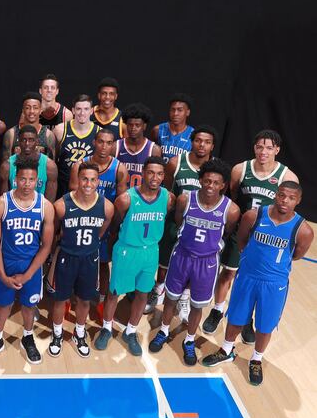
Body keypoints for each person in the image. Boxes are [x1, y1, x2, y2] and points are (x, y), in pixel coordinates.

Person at [202, 181, 313, 386]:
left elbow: (296, 255)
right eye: (281, 195)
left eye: (290, 198)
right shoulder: (253, 216)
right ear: (275, 195)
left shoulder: (303, 230)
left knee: (265, 324)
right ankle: (226, 350)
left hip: (274, 284)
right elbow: (242, 241)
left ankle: (256, 359)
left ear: (298, 201)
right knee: (235, 316)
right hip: (247, 277)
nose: (284, 201)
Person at [205, 130, 299, 341]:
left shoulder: (287, 176)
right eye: (259, 147)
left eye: (268, 147)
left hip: (266, 240)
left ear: (277, 149)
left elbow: (290, 208)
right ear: (254, 148)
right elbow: (233, 196)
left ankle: (248, 321)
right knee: (228, 273)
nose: (263, 151)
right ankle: (217, 310)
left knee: (254, 282)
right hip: (242, 232)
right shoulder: (241, 169)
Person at [148, 159, 240, 366]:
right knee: (170, 299)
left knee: (197, 306)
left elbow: (227, 232)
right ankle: (163, 330)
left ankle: (189, 340)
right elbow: (179, 222)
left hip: (207, 263)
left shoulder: (231, 210)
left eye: (216, 183)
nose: (211, 186)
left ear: (223, 185)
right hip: (181, 256)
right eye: (207, 181)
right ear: (200, 180)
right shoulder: (185, 199)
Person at [94, 157, 173, 356]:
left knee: (143, 293)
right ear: (143, 174)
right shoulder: (126, 199)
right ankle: (106, 328)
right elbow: (115, 225)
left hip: (150, 252)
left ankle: (130, 331)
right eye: (151, 172)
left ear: (163, 176)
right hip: (127, 250)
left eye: (159, 174)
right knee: (114, 293)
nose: (155, 177)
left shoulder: (168, 198)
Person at [0, 157, 55, 365]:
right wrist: (3, 274)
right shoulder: (1, 204)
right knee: (3, 304)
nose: (27, 184)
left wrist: (30, 273)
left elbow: (46, 246)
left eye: (31, 180)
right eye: (23, 179)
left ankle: (27, 337)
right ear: (16, 180)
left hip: (31, 264)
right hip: (6, 262)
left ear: (37, 181)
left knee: (29, 305)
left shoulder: (45, 206)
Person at [146, 126, 216, 316]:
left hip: (200, 225)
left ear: (212, 146)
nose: (202, 145)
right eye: (198, 140)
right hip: (175, 220)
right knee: (164, 260)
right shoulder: (176, 163)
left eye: (207, 142)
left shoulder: (215, 169)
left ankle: (184, 297)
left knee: (191, 264)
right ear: (191, 142)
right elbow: (167, 192)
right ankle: (158, 289)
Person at [48, 162, 113, 358]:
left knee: (85, 300)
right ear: (77, 179)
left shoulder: (106, 207)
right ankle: (57, 333)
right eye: (84, 178)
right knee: (60, 299)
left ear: (98, 182)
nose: (88, 183)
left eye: (93, 180)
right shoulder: (61, 205)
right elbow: (54, 231)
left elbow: (102, 231)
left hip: (90, 258)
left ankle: (79, 332)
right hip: (66, 257)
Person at [70, 129, 128, 304]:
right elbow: (72, 197)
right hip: (81, 220)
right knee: (76, 261)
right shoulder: (79, 165)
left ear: (113, 145)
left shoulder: (119, 168)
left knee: (103, 263)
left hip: (105, 221)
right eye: (101, 141)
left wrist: (116, 229)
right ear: (94, 142)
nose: (104, 146)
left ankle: (102, 300)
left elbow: (121, 203)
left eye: (109, 143)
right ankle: (72, 296)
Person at [53, 95, 98, 198]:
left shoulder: (98, 133)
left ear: (91, 111)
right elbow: (53, 160)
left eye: (86, 109)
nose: (82, 113)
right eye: (78, 109)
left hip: (88, 186)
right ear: (73, 110)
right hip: (63, 186)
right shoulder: (60, 130)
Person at [0, 125, 57, 203]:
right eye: (23, 140)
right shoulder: (7, 166)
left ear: (37, 141)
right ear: (18, 141)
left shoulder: (49, 166)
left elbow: (49, 202)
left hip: (39, 211)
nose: (27, 144)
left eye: (31, 140)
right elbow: (4, 200)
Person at [115, 103, 162, 188]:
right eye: (130, 125)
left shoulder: (154, 150)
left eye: (137, 125)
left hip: (142, 199)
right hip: (119, 197)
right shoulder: (116, 147)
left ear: (144, 126)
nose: (133, 128)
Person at [2, 92, 55, 162]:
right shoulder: (11, 134)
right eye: (27, 108)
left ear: (40, 110)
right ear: (23, 110)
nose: (31, 111)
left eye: (35, 108)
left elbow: (51, 166)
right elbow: (5, 166)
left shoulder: (48, 135)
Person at [151, 93, 194, 163]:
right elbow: (150, 153)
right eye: (173, 110)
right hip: (161, 173)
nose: (175, 113)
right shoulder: (158, 130)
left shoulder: (193, 135)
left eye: (180, 110)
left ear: (187, 112)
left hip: (180, 173)